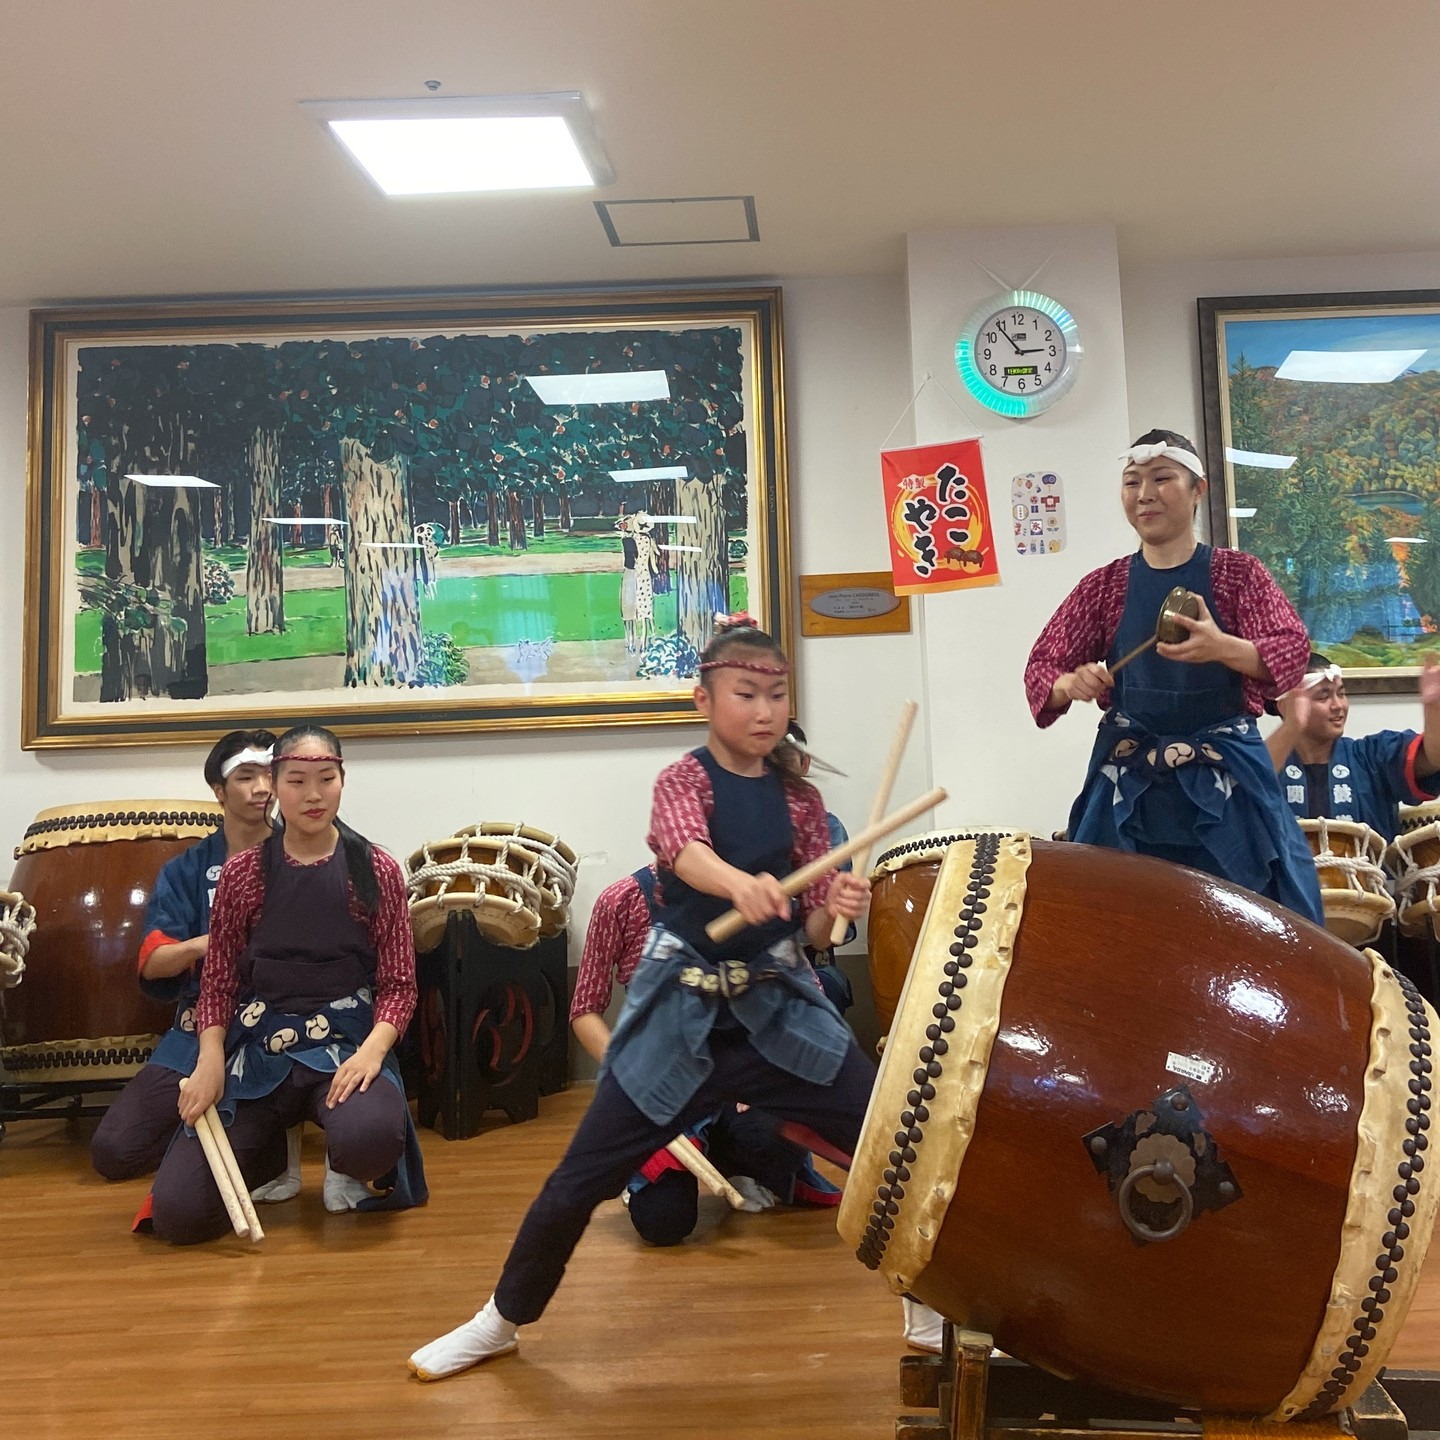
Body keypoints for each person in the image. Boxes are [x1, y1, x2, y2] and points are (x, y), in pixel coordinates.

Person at [410, 617, 872, 1378]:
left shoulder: (802, 802)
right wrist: (738, 883)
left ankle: (933, 1306)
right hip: (679, 1015)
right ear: (704, 699)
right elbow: (685, 851)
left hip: (774, 1012)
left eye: (777, 695)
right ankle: (500, 1319)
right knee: (579, 1180)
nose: (764, 711)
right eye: (746, 693)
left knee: (894, 1142)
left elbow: (816, 930)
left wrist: (837, 902)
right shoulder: (682, 781)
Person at [1024, 429, 1323, 924]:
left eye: (1162, 478)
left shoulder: (1239, 574)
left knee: (1277, 920)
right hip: (1130, 776)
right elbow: (1042, 666)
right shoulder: (1105, 585)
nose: (1145, 494)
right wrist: (1068, 683)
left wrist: (1224, 647)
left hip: (1229, 772)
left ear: (1197, 489)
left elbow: (1292, 649)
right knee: (1114, 926)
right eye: (1132, 482)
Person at [147, 725, 427, 1244]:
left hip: (344, 1039)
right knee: (180, 1214)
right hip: (260, 1045)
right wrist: (209, 1060)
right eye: (297, 780)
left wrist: (372, 1053)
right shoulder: (243, 873)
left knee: (369, 1136)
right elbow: (219, 984)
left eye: (327, 778)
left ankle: (345, 1166)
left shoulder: (377, 869)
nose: (314, 794)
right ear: (276, 784)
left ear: (343, 780)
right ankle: (277, 1158)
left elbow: (399, 985)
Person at [570, 864, 841, 1246]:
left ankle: (734, 1162)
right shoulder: (621, 901)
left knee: (779, 1136)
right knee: (663, 1223)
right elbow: (585, 1009)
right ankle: (651, 1173)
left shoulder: (756, 896)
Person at [91, 730, 276, 1184]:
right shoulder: (187, 869)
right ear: (218, 790)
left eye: (270, 775)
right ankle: (204, 1142)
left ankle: (251, 1138)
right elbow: (154, 961)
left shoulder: (301, 854)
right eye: (246, 777)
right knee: (113, 1150)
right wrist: (205, 943)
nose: (262, 788)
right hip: (201, 1027)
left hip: (280, 1022)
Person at [1266, 651, 1440, 840]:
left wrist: (1434, 709)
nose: (1338, 705)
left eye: (1341, 694)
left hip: (1367, 869)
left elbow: (1433, 758)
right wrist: (1292, 726)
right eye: (1323, 697)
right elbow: (1244, 787)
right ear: (1285, 707)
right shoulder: (1265, 761)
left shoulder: (1372, 756)